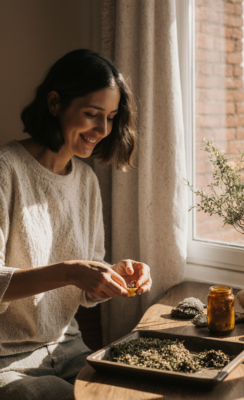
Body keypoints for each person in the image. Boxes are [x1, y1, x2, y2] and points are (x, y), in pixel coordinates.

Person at [0, 49, 152, 400]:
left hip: (69, 350)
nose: (102, 129)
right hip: (8, 361)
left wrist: (111, 275)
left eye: (111, 117)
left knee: (141, 389)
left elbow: (84, 293)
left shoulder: (86, 182)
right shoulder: (6, 170)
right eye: (92, 114)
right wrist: (71, 271)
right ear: (55, 103)